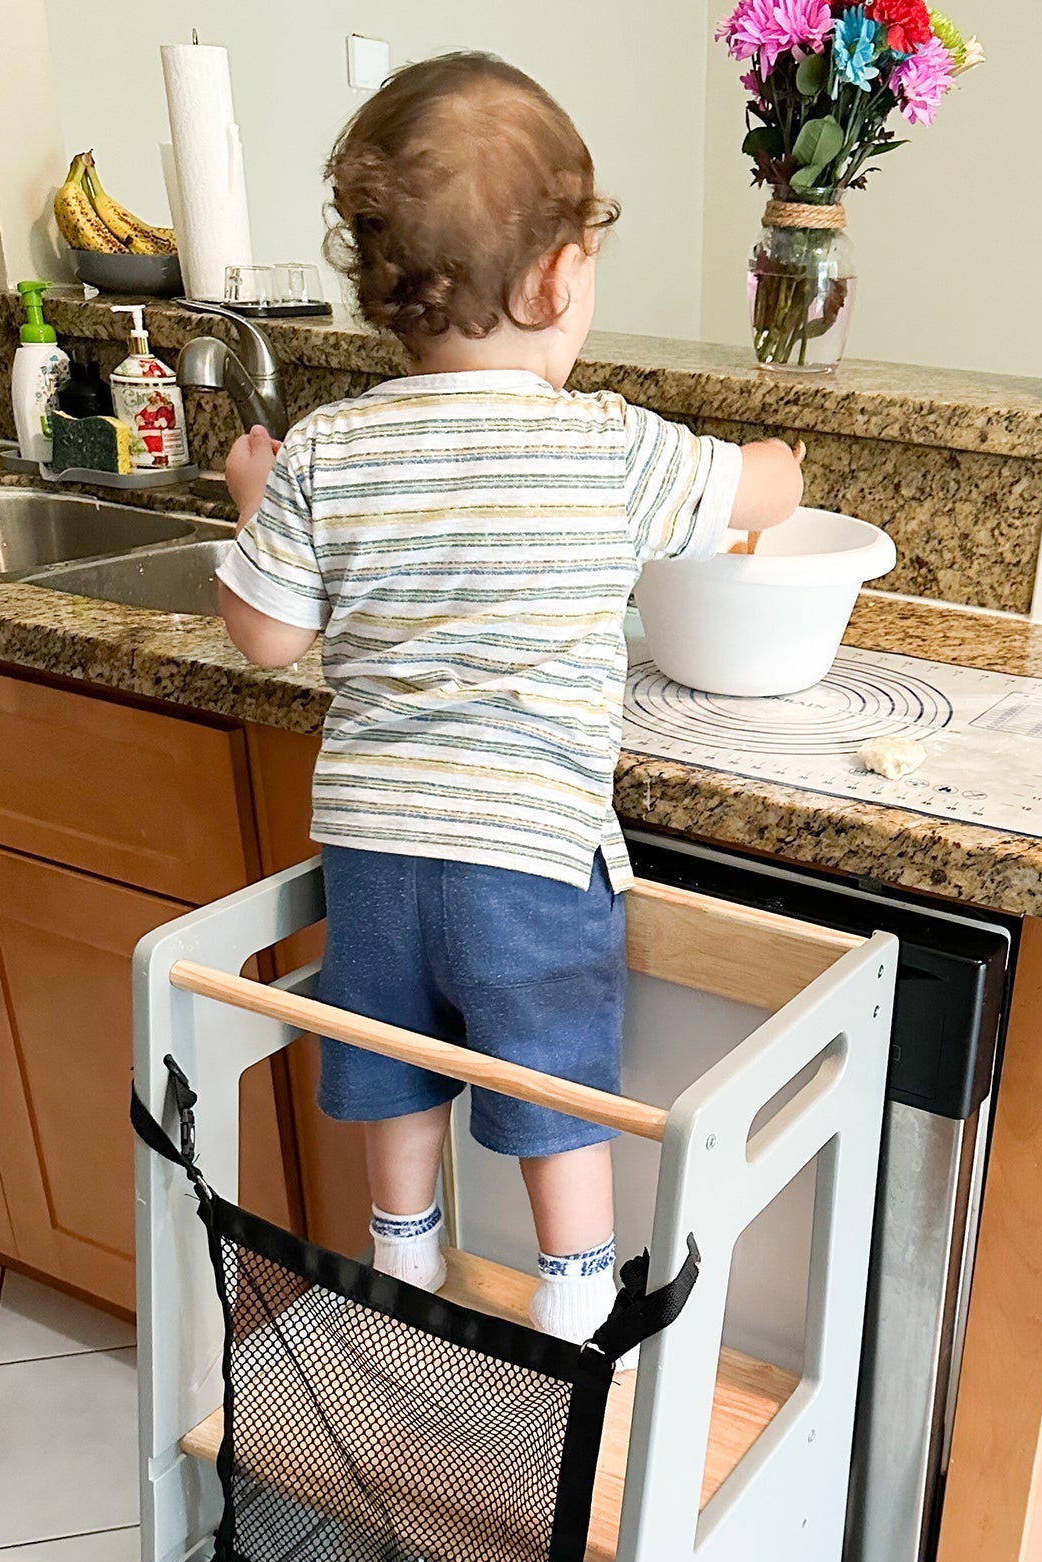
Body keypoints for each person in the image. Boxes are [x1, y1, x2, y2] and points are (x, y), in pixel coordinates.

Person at [216, 52, 803, 1351]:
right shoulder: (602, 443)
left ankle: (405, 1264)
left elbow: (263, 633)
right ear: (554, 281)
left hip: (375, 849)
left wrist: (253, 504)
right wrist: (781, 456)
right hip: (530, 855)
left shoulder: (326, 448)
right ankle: (581, 1286)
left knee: (391, 1053)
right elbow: (760, 496)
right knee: (548, 1071)